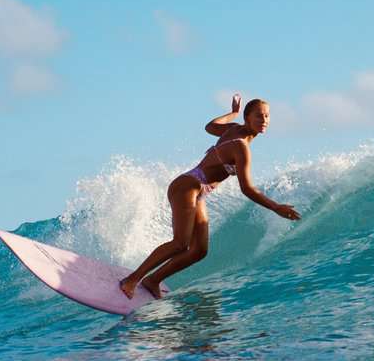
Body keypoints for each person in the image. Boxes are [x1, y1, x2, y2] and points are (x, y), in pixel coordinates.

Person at [119, 93, 301, 300]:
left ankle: (153, 280)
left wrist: (232, 114)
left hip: (198, 191)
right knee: (180, 243)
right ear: (247, 118)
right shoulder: (241, 146)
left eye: (267, 116)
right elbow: (247, 188)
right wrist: (275, 207)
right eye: (259, 116)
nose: (264, 121)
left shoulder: (233, 129)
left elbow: (210, 126)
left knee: (199, 250)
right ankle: (132, 279)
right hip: (188, 185)